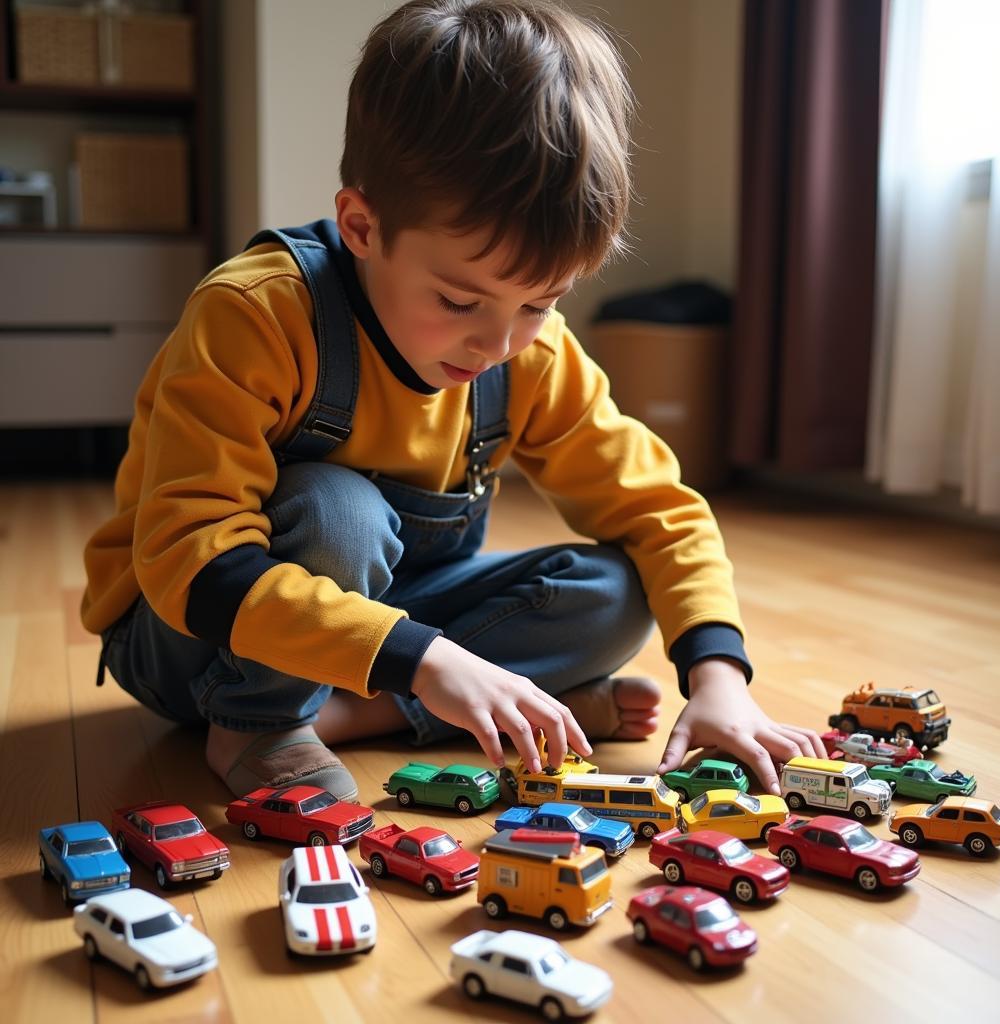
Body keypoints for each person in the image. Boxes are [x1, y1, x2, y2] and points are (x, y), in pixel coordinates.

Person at [81, 0, 824, 803]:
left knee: (617, 591)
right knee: (338, 509)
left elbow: (661, 512)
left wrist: (718, 681)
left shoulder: (529, 350)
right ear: (362, 226)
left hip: (383, 618)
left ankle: (342, 713)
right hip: (186, 637)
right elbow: (192, 561)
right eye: (461, 302)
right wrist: (430, 658)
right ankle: (260, 719)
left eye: (539, 302)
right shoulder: (256, 313)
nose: (498, 344)